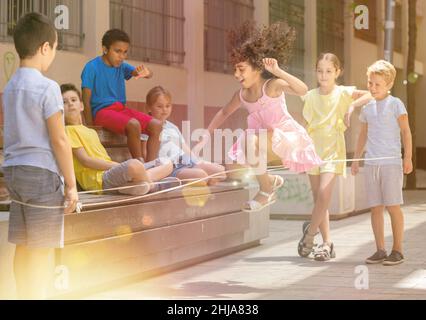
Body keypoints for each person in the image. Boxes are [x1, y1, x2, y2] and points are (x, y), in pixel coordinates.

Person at [195, 21, 322, 212]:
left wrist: (278, 72)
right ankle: (269, 180)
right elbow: (224, 112)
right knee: (233, 167)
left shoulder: (271, 86)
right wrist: (206, 135)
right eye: (235, 69)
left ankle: (266, 191)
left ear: (256, 68)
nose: (236, 74)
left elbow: (302, 89)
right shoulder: (242, 95)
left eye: (241, 69)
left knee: (247, 140)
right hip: (264, 141)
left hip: (285, 137)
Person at [1, 13, 78, 299]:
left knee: (22, 243)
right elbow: (59, 139)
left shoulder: (10, 87)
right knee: (42, 249)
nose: (53, 56)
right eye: (55, 49)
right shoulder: (47, 87)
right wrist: (71, 186)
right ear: (45, 47)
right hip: (42, 175)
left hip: (15, 173)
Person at [298, 53, 372, 261]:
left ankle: (310, 235)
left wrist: (351, 105)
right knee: (318, 200)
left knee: (323, 194)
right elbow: (305, 124)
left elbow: (370, 94)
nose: (324, 75)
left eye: (329, 71)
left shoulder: (343, 92)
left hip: (333, 150)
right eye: (320, 71)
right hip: (312, 149)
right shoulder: (310, 96)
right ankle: (326, 243)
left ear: (337, 72)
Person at [351, 60, 413, 266]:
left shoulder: (396, 104)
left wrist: (408, 157)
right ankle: (380, 249)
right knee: (375, 208)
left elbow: (406, 131)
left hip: (391, 164)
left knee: (393, 206)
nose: (372, 87)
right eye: (370, 83)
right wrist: (356, 159)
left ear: (389, 85)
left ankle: (398, 250)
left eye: (377, 84)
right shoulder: (368, 107)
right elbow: (362, 135)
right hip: (371, 164)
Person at [62, 83, 173, 195]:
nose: (70, 104)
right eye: (64, 102)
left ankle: (137, 185)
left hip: (111, 172)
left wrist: (119, 167)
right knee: (134, 165)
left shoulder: (90, 131)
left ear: (81, 106)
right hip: (99, 181)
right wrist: (118, 166)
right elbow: (85, 160)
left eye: (73, 100)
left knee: (166, 163)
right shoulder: (68, 131)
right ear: (60, 109)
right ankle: (152, 185)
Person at [81, 28, 162, 162]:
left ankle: (151, 165)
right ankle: (139, 164)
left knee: (157, 125)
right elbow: (86, 100)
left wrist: (147, 73)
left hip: (121, 111)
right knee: (134, 124)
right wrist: (90, 127)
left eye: (125, 52)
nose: (122, 56)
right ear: (105, 49)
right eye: (117, 51)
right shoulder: (92, 67)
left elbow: (141, 73)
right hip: (102, 112)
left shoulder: (121, 66)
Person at [144, 86, 226, 186]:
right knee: (201, 175)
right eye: (159, 106)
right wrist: (154, 170)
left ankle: (201, 178)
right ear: (149, 107)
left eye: (168, 106)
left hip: (186, 160)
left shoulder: (172, 127)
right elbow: (145, 154)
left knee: (221, 172)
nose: (164, 110)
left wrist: (198, 162)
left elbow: (185, 148)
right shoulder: (147, 127)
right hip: (171, 167)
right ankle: (188, 179)